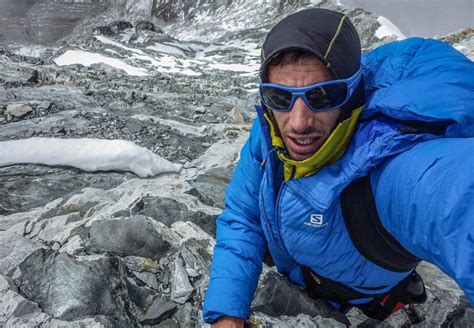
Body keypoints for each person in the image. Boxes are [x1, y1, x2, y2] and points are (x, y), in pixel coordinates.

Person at [203, 8, 474, 327]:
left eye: (322, 96)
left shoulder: (393, 165)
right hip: (300, 261)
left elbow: (456, 199)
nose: (299, 122)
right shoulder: (269, 131)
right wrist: (227, 312)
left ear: (352, 94)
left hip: (361, 301)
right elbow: (244, 217)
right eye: (279, 96)